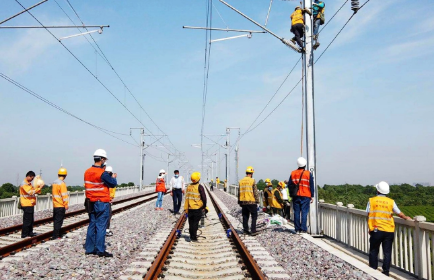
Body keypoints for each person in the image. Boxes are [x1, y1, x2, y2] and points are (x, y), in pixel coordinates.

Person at [367, 181, 412, 276]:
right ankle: (386, 272)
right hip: (389, 230)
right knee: (387, 252)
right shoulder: (391, 201)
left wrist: (370, 227)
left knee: (374, 250)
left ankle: (373, 270)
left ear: (377, 190)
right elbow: (399, 213)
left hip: (376, 229)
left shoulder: (372, 200)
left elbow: (368, 213)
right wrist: (406, 218)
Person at [84, 149, 117, 257]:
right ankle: (100, 250)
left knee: (92, 224)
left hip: (90, 202)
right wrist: (112, 177)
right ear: (102, 159)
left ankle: (89, 248)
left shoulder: (87, 172)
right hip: (102, 202)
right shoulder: (103, 173)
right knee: (101, 226)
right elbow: (113, 184)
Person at [288, 157, 314, 234]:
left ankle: (297, 229)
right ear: (305, 164)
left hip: (296, 195)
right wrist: (312, 196)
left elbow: (289, 185)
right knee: (304, 212)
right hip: (306, 195)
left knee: (296, 212)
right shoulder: (308, 173)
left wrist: (292, 194)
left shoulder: (293, 173)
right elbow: (311, 185)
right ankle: (303, 229)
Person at [184, 172, 207, 242]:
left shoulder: (188, 187)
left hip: (190, 208)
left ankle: (191, 236)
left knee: (191, 223)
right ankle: (193, 238)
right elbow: (204, 197)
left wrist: (186, 208)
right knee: (195, 223)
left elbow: (186, 197)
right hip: (197, 208)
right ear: (198, 179)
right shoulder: (200, 187)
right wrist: (204, 206)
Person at [238, 166, 260, 235]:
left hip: (243, 202)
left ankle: (245, 230)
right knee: (254, 216)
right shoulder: (252, 180)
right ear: (251, 173)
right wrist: (257, 201)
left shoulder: (241, 181)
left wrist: (239, 202)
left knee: (245, 216)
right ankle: (253, 230)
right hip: (251, 201)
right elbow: (255, 192)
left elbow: (239, 192)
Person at [20, 171, 42, 238]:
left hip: (30, 203)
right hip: (26, 203)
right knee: (27, 220)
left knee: (30, 220)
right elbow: (30, 192)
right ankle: (24, 234)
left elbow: (34, 190)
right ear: (28, 176)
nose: (32, 179)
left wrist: (38, 188)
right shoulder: (24, 184)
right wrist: (39, 188)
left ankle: (30, 232)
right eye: (32, 178)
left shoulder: (29, 184)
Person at [51, 167, 69, 240]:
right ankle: (56, 235)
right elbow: (64, 195)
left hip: (55, 204)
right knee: (59, 221)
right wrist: (66, 204)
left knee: (56, 220)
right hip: (61, 205)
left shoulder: (54, 183)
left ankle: (55, 234)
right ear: (65, 175)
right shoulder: (62, 184)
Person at [105, 166, 115, 236]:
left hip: (98, 200)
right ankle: (106, 230)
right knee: (108, 215)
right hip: (106, 200)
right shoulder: (109, 180)